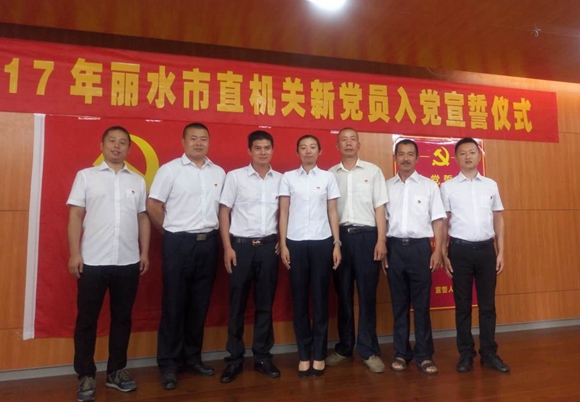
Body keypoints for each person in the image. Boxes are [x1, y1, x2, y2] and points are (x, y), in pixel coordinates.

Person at [67, 126, 150, 402]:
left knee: (122, 319)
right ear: (102, 145)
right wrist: (75, 253)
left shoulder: (137, 180)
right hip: (92, 260)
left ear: (129, 148)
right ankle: (85, 374)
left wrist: (145, 252)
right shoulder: (86, 176)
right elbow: (75, 215)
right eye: (112, 141)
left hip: (128, 260)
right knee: (87, 320)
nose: (117, 146)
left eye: (122, 142)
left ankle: (116, 371)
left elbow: (142, 218)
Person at [147, 122, 226, 390]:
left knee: (199, 304)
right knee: (174, 304)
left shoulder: (219, 172)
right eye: (193, 138)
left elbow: (224, 209)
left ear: (209, 142)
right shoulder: (169, 170)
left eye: (203, 138)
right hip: (178, 244)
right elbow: (153, 205)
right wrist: (170, 232)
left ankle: (192, 358)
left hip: (209, 243)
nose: (199, 143)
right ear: (183, 142)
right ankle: (168, 364)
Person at [218, 130, 282, 383]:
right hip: (241, 248)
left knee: (265, 304)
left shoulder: (281, 180)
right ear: (249, 151)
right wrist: (227, 247)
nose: (262, 152)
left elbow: (286, 214)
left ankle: (263, 356)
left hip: (269, 248)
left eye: (267, 147)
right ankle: (234, 358)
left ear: (272, 150)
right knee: (237, 304)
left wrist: (282, 241)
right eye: (257, 148)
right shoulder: (235, 177)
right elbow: (224, 212)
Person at [440, 137, 509, 373]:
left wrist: (501, 251)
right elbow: (443, 222)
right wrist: (443, 253)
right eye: (462, 153)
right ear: (456, 158)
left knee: (488, 305)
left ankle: (489, 353)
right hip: (459, 251)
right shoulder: (447, 187)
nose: (467, 156)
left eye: (472, 152)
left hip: (486, 251)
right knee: (462, 306)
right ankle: (466, 353)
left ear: (479, 156)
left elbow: (498, 218)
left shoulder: (490, 185)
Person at [326, 127, 388, 373]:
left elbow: (380, 208)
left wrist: (381, 240)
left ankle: (368, 350)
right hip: (339, 239)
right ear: (337, 146)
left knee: (367, 296)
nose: (349, 143)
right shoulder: (330, 175)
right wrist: (334, 242)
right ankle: (344, 347)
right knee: (342, 295)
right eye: (344, 140)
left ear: (359, 145)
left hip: (367, 238)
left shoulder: (373, 171)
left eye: (353, 139)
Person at [279, 134, 341, 377]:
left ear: (320, 151)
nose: (308, 151)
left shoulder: (327, 177)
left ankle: (319, 354)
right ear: (297, 152)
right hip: (295, 243)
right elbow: (284, 212)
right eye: (303, 147)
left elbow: (332, 211)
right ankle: (304, 354)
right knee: (300, 301)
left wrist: (336, 244)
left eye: (312, 147)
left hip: (321, 242)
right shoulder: (288, 177)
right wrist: (283, 244)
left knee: (320, 300)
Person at [385, 139, 446, 375]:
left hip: (421, 249)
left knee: (421, 305)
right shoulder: (386, 186)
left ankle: (424, 355)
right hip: (394, 248)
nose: (406, 158)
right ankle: (401, 352)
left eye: (410, 154)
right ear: (395, 158)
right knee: (399, 305)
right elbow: (382, 222)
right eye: (401, 154)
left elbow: (438, 220)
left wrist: (437, 250)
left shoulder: (429, 186)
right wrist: (383, 250)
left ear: (418, 158)